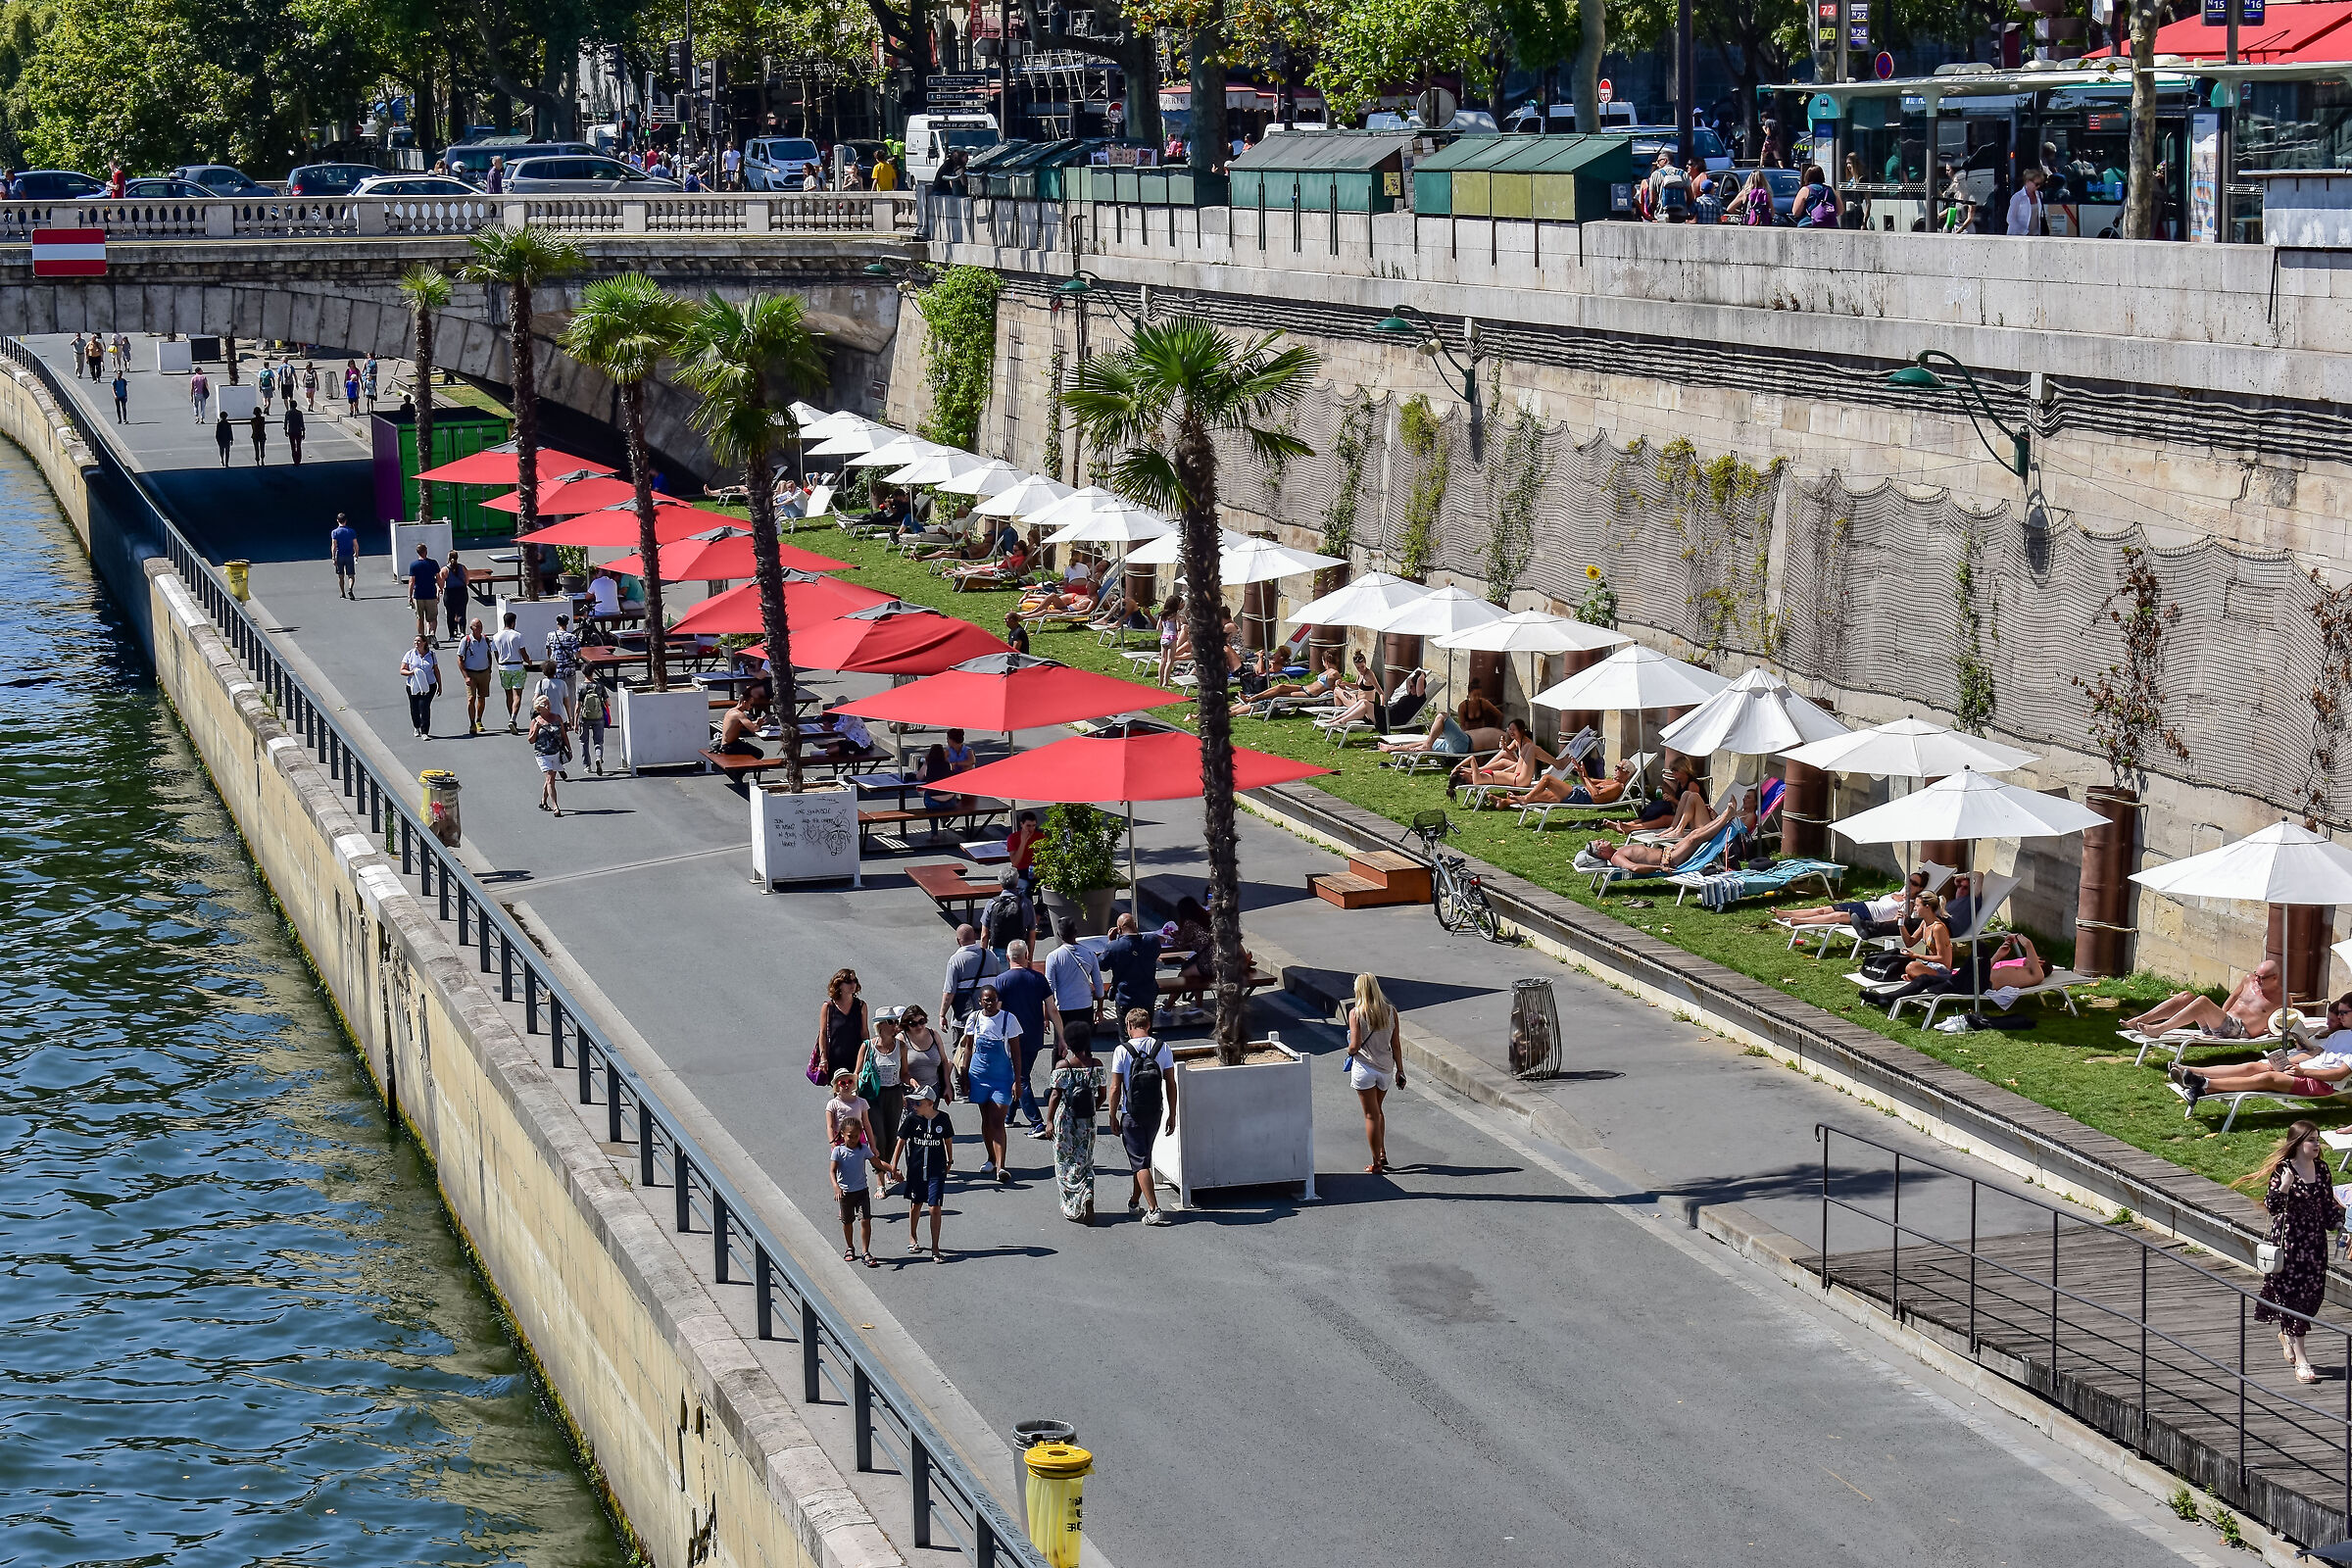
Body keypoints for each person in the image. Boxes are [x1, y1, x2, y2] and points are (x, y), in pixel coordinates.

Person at [2244, 1121, 2344, 1384]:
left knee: (2313, 1297)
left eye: (2318, 1139)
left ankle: (2287, 1335)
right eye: (2312, 1140)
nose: (2317, 1145)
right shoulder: (2284, 1170)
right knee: (2293, 1299)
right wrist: (2284, 1186)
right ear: (2298, 1143)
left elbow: (2326, 1205)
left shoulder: (2322, 1170)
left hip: (2315, 1244)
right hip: (2289, 1243)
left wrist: (2340, 1225)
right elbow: (2273, 1206)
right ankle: (2302, 1359)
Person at [2174, 998, 2352, 1109]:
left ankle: (2202, 1083)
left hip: (2323, 1083)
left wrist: (2302, 1071)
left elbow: (2340, 1074)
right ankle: (2199, 1083)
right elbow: (2314, 1053)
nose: (2340, 1016)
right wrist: (2288, 1063)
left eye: (2344, 1012)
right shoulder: (2338, 1034)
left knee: (2267, 1078)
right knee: (2258, 1068)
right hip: (2303, 1069)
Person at [1107, 1008, 1175, 1225]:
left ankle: (1154, 1209)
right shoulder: (1162, 1048)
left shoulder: (1121, 1050)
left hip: (1132, 1113)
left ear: (1128, 1025)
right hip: (1155, 1111)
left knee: (1139, 1161)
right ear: (1148, 1025)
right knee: (1143, 1158)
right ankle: (1135, 1201)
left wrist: (1112, 1115)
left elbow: (1116, 1087)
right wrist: (1172, 1113)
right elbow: (1170, 1083)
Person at [955, 982, 1019, 1184]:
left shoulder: (1009, 1019)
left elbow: (1016, 1053)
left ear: (998, 1000)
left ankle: (1001, 1167)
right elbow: (968, 1049)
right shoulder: (974, 1019)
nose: (989, 1003)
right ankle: (991, 1158)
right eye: (986, 999)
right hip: (978, 1076)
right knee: (986, 1118)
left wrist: (1018, 1080)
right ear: (980, 1001)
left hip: (1002, 1078)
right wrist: (964, 1076)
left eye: (993, 999)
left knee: (998, 1119)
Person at [2123, 959, 2282, 1040]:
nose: (2257, 980)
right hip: (2223, 1023)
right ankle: (2139, 1020)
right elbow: (2233, 997)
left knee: (2202, 1001)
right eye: (2256, 975)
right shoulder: (2248, 979)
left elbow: (2285, 1022)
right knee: (2186, 996)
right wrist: (2222, 1013)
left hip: (2238, 1031)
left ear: (2275, 978)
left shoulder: (2281, 998)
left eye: (2261, 978)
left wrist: (2267, 1031)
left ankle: (2159, 1029)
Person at [995, 939, 1056, 1138]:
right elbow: (1052, 1008)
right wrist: (1061, 1036)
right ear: (1027, 955)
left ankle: (1037, 1122)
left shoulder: (1002, 981)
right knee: (1019, 1074)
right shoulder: (1038, 979)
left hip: (1011, 1038)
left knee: (1020, 1078)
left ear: (1007, 957)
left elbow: (996, 1012)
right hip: (1034, 1036)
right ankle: (1009, 1116)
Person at [1347, 973, 1404, 1172]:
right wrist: (1401, 1071)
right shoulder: (1391, 1012)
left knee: (1370, 1115)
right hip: (1386, 1069)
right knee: (1378, 1110)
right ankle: (1382, 1151)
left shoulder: (1356, 1013)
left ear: (1359, 990)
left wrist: (1349, 1050)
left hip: (1365, 1068)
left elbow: (1354, 1046)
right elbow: (1395, 1045)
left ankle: (1376, 1163)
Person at [1043, 1025, 1100, 1223]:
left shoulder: (1063, 1067)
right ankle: (1088, 1193)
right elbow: (1100, 1094)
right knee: (1085, 1162)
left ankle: (1072, 1207)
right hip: (1088, 1122)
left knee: (1065, 1163)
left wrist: (1049, 1121)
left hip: (1066, 1120)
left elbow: (1055, 1096)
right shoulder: (1096, 1065)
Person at [896, 1086, 954, 1262]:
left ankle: (935, 1248)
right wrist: (893, 1165)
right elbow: (901, 1142)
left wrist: (950, 1161)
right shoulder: (912, 1119)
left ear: (929, 1103)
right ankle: (913, 1237)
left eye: (918, 1102)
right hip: (916, 1168)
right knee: (916, 1203)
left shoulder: (943, 1119)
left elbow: (948, 1140)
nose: (914, 1105)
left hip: (937, 1169)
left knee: (934, 1206)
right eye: (913, 1102)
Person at [1045, 917, 1102, 1054]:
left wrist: (1046, 1016)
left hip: (1063, 1007)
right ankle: (1088, 1073)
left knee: (1059, 1046)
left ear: (1059, 935)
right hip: (1085, 1006)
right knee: (1085, 1046)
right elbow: (1098, 983)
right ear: (1076, 932)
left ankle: (1056, 1073)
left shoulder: (1053, 957)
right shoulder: (1089, 954)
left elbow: (1049, 989)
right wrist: (1099, 1009)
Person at [830, 1118, 883, 1267]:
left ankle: (866, 1251)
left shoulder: (864, 1149)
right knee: (847, 1223)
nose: (852, 1139)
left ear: (860, 1134)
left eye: (855, 1136)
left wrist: (892, 1170)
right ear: (842, 1134)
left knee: (865, 1220)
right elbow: (832, 1171)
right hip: (846, 1194)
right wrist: (836, 1187)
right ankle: (850, 1247)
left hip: (862, 1191)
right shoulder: (838, 1151)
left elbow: (877, 1163)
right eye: (849, 1136)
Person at [858, 1008, 907, 1163]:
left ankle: (885, 1168)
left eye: (896, 1022)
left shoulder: (901, 1046)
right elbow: (857, 1073)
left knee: (892, 1137)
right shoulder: (867, 1047)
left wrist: (911, 1082)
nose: (895, 1026)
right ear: (880, 1025)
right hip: (873, 1096)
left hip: (893, 1094)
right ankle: (880, 1178)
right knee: (879, 1137)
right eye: (891, 1022)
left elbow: (904, 1073)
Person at [940, 922, 1002, 1039]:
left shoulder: (955, 960)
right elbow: (999, 985)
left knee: (961, 1053)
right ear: (975, 937)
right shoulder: (990, 955)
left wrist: (942, 1015)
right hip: (988, 1017)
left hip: (964, 1019)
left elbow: (949, 992)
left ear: (958, 941)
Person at [1101, 912, 1162, 1027]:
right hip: (1148, 995)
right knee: (1146, 1029)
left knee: (1126, 1034)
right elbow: (1156, 951)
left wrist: (1110, 942)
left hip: (1125, 997)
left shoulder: (1114, 947)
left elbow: (1102, 965)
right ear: (1135, 925)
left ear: (1119, 929)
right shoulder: (1152, 941)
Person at [817, 968, 867, 1082]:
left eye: (855, 981)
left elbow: (864, 1032)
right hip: (835, 1058)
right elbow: (823, 1033)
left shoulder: (861, 1006)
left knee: (857, 1092)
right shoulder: (828, 1007)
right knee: (839, 1092)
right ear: (839, 985)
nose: (853, 984)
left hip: (856, 1057)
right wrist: (823, 1058)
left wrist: (867, 1055)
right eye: (848, 982)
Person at [898, 1004, 948, 1108]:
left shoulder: (933, 1034)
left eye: (922, 1021)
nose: (919, 1026)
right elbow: (897, 1070)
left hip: (933, 1090)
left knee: (930, 1123)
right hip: (911, 1092)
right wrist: (909, 1082)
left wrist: (947, 1086)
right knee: (912, 1123)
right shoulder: (901, 1039)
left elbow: (944, 1061)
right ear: (906, 1024)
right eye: (913, 1024)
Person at [527, 694, 568, 814]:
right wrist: (535, 729)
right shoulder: (535, 721)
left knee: (550, 779)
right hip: (542, 753)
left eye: (548, 703)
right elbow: (530, 740)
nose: (548, 706)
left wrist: (569, 748)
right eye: (544, 704)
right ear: (538, 708)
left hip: (555, 752)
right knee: (550, 778)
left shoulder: (557, 718)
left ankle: (543, 801)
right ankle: (555, 806)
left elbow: (563, 734)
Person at [491, 611, 530, 731]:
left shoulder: (496, 636)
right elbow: (523, 652)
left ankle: (512, 718)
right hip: (517, 667)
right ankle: (513, 718)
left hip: (504, 668)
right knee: (517, 695)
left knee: (508, 694)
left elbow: (496, 653)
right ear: (513, 622)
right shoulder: (517, 635)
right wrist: (529, 661)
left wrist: (500, 662)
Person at [399, 632, 440, 738]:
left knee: (424, 706)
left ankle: (425, 731)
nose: (416, 643)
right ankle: (416, 727)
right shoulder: (410, 654)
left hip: (429, 685)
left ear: (424, 643)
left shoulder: (431, 655)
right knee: (414, 707)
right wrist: (411, 673)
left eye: (419, 641)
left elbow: (436, 670)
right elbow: (402, 670)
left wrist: (440, 684)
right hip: (413, 685)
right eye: (415, 641)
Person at [456, 617, 494, 734]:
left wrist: (489, 670)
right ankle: (472, 723)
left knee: (482, 698)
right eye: (477, 626)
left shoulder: (485, 639)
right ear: (472, 628)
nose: (480, 628)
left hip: (484, 673)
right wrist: (466, 676)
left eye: (481, 626)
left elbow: (489, 655)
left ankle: (479, 721)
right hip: (471, 673)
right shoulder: (466, 641)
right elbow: (460, 659)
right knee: (471, 698)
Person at [825, 1065, 872, 1149]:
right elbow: (830, 1126)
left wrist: (872, 1145)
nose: (846, 1085)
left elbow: (866, 1124)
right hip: (840, 1139)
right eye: (842, 1083)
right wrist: (832, 1142)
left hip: (859, 1138)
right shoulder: (833, 1104)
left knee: (859, 1160)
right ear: (836, 1087)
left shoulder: (862, 1102)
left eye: (850, 1082)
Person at [405, 543, 440, 642]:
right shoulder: (433, 563)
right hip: (431, 594)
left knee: (420, 618)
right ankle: (432, 633)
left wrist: (409, 595)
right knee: (432, 617)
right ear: (426, 551)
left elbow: (412, 581)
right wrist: (440, 589)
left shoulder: (414, 565)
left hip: (418, 595)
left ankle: (422, 637)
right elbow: (438, 578)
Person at [575, 677, 610, 772]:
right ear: (593, 671)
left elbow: (578, 706)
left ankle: (587, 766)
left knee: (583, 741)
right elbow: (608, 702)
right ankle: (598, 757)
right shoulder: (599, 685)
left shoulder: (580, 687)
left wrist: (575, 722)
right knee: (598, 741)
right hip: (598, 716)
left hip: (585, 717)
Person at [1791, 164, 1838, 229]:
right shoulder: (1831, 190)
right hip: (1830, 225)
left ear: (1807, 176)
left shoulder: (1805, 190)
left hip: (1808, 224)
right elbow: (1840, 210)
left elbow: (1796, 212)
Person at [2006, 167, 2046, 237]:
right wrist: (2025, 232)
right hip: (2017, 236)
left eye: (2041, 184)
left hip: (2035, 235)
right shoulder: (2018, 197)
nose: (2038, 186)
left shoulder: (2040, 195)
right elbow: (2010, 219)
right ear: (2027, 182)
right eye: (2036, 184)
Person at [440, 551, 469, 641]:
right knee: (462, 612)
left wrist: (440, 590)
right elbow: (467, 580)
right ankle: (462, 632)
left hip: (450, 593)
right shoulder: (463, 567)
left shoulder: (445, 569)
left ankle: (451, 635)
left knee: (450, 614)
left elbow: (441, 583)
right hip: (461, 591)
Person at [284, 401, 305, 466]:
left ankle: (295, 460)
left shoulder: (288, 413)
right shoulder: (299, 413)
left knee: (293, 446)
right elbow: (302, 423)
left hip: (291, 431)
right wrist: (303, 432)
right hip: (298, 431)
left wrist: (285, 430)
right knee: (298, 446)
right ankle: (299, 460)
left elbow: (285, 422)